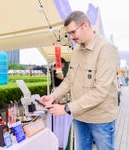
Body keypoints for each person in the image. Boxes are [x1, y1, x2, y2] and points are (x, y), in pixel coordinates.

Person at [40, 11, 119, 150]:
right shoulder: (76, 51)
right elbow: (69, 80)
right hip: (80, 117)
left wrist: (67, 108)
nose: (71, 37)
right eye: (68, 34)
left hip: (100, 119)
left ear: (85, 26)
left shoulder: (106, 49)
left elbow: (100, 91)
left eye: (72, 32)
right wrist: (52, 96)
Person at [48, 57, 72, 150]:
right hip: (58, 96)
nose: (63, 66)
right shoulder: (57, 70)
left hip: (57, 96)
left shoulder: (53, 69)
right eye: (63, 64)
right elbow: (61, 77)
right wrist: (59, 69)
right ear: (60, 63)